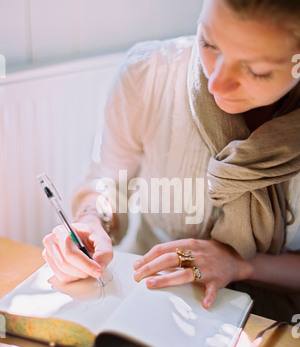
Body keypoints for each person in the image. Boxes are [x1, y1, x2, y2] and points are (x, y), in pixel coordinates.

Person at [43, 0, 300, 322]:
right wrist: (94, 218)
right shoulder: (149, 73)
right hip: (148, 295)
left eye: (257, 71)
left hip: (277, 322)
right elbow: (109, 179)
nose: (215, 83)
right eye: (208, 42)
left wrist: (243, 266)